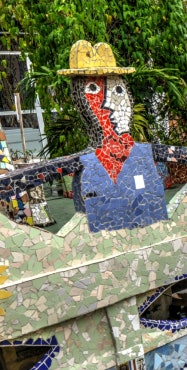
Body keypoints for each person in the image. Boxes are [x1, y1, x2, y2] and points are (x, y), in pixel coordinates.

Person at [58, 41, 167, 232]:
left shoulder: (145, 155)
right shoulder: (86, 165)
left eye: (118, 90)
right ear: (79, 100)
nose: (108, 103)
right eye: (93, 89)